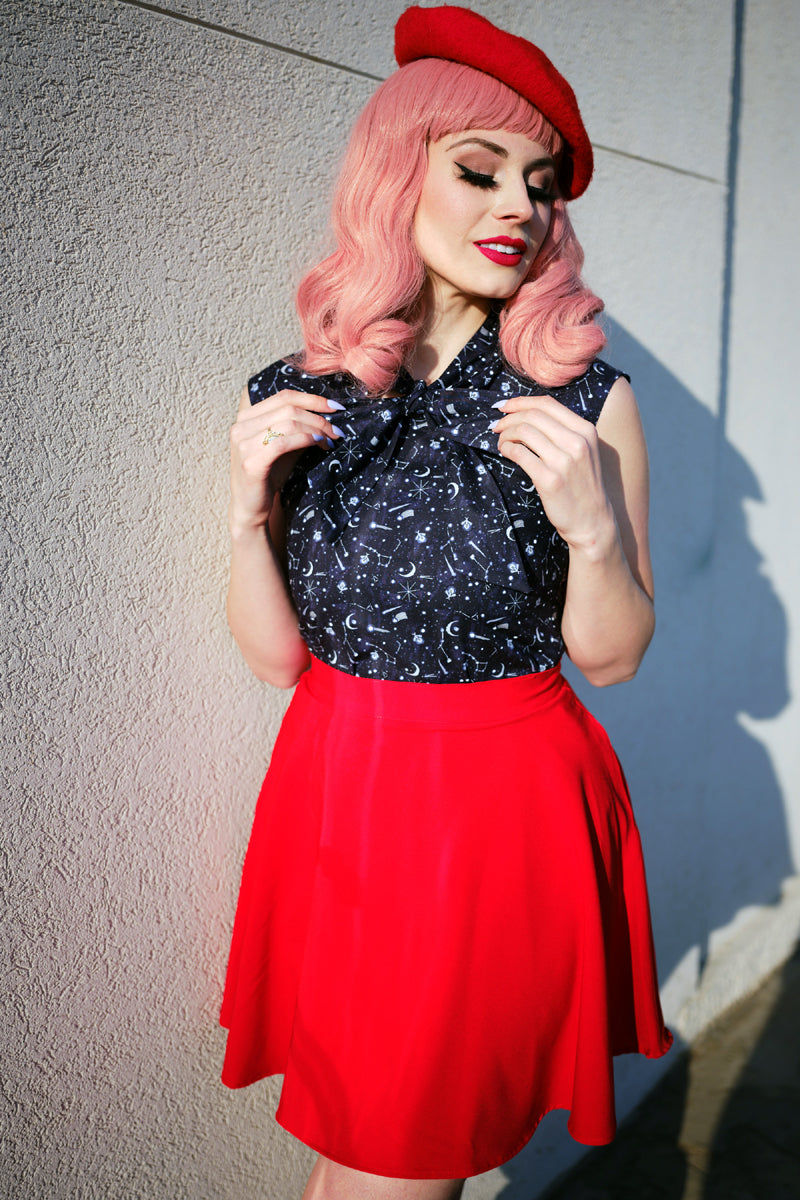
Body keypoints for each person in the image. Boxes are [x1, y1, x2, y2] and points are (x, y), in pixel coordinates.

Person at [220, 6, 672, 1198]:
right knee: (352, 1156)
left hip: (487, 819)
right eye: (477, 170)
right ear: (393, 178)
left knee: (404, 1165)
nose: (516, 207)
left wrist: (590, 525)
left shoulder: (582, 400)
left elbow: (614, 658)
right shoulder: (303, 391)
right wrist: (242, 513)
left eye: (537, 186)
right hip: (335, 793)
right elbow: (277, 661)